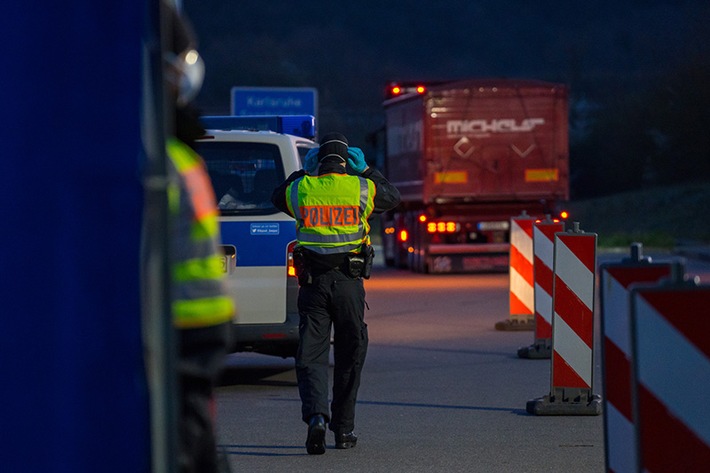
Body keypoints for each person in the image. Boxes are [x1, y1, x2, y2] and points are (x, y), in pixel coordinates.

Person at [271, 133, 401, 454]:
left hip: (313, 285)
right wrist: (367, 169)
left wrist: (304, 170)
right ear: (347, 161)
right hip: (349, 284)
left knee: (311, 356)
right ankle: (343, 431)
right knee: (350, 354)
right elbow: (392, 196)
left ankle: (316, 417)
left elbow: (277, 196)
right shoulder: (360, 188)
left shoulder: (302, 189)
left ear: (319, 161)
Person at [162, 4, 235, 472]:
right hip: (202, 325)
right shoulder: (183, 158)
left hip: (178, 328)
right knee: (197, 441)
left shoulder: (158, 160)